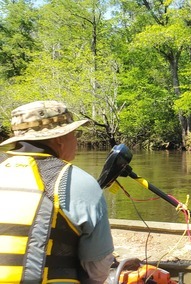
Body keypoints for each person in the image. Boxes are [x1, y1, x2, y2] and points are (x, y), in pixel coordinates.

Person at [0, 101, 114, 283]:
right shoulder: (78, 181)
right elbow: (98, 268)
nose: (76, 141)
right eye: (74, 134)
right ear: (59, 139)